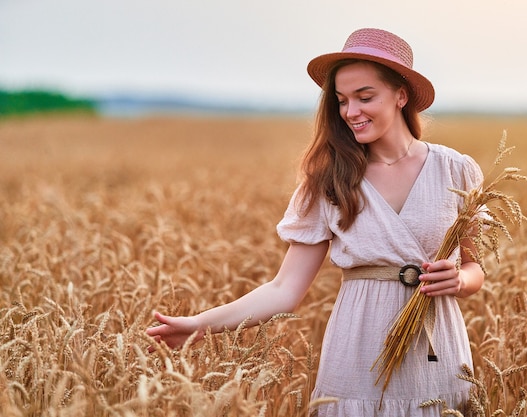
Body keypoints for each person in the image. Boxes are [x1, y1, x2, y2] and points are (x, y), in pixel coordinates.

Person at [146, 27, 485, 416]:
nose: (351, 112)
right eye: (341, 101)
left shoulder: (456, 170)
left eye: (365, 96)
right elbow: (284, 288)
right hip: (358, 352)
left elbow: (475, 268)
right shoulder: (329, 179)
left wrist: (459, 280)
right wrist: (199, 325)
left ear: (401, 95)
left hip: (436, 352)